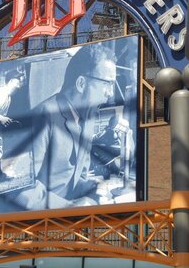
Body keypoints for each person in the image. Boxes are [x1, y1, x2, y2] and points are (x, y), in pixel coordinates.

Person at [16, 44, 117, 210]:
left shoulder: (88, 120)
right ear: (81, 83)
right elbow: (22, 188)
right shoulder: (42, 115)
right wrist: (70, 208)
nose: (110, 93)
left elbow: (76, 178)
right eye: (107, 83)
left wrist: (92, 186)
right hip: (31, 225)